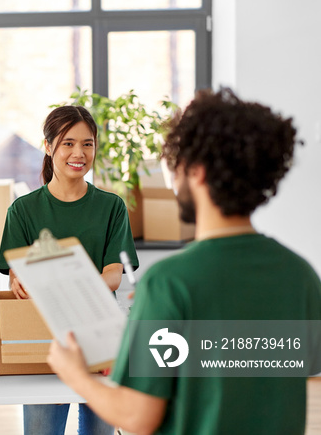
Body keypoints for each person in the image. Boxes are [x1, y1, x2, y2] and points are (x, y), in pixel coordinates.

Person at [47, 88, 321, 434]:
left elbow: (136, 417)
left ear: (198, 173)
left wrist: (74, 374)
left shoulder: (170, 281)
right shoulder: (300, 275)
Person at [0, 105, 138, 435]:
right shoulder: (24, 209)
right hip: (43, 337)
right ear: (48, 147)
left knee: (100, 431)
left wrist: (68, 292)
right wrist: (20, 282)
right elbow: (16, 272)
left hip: (100, 333)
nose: (79, 153)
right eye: (68, 143)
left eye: (87, 144)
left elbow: (114, 272)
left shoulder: (111, 206)